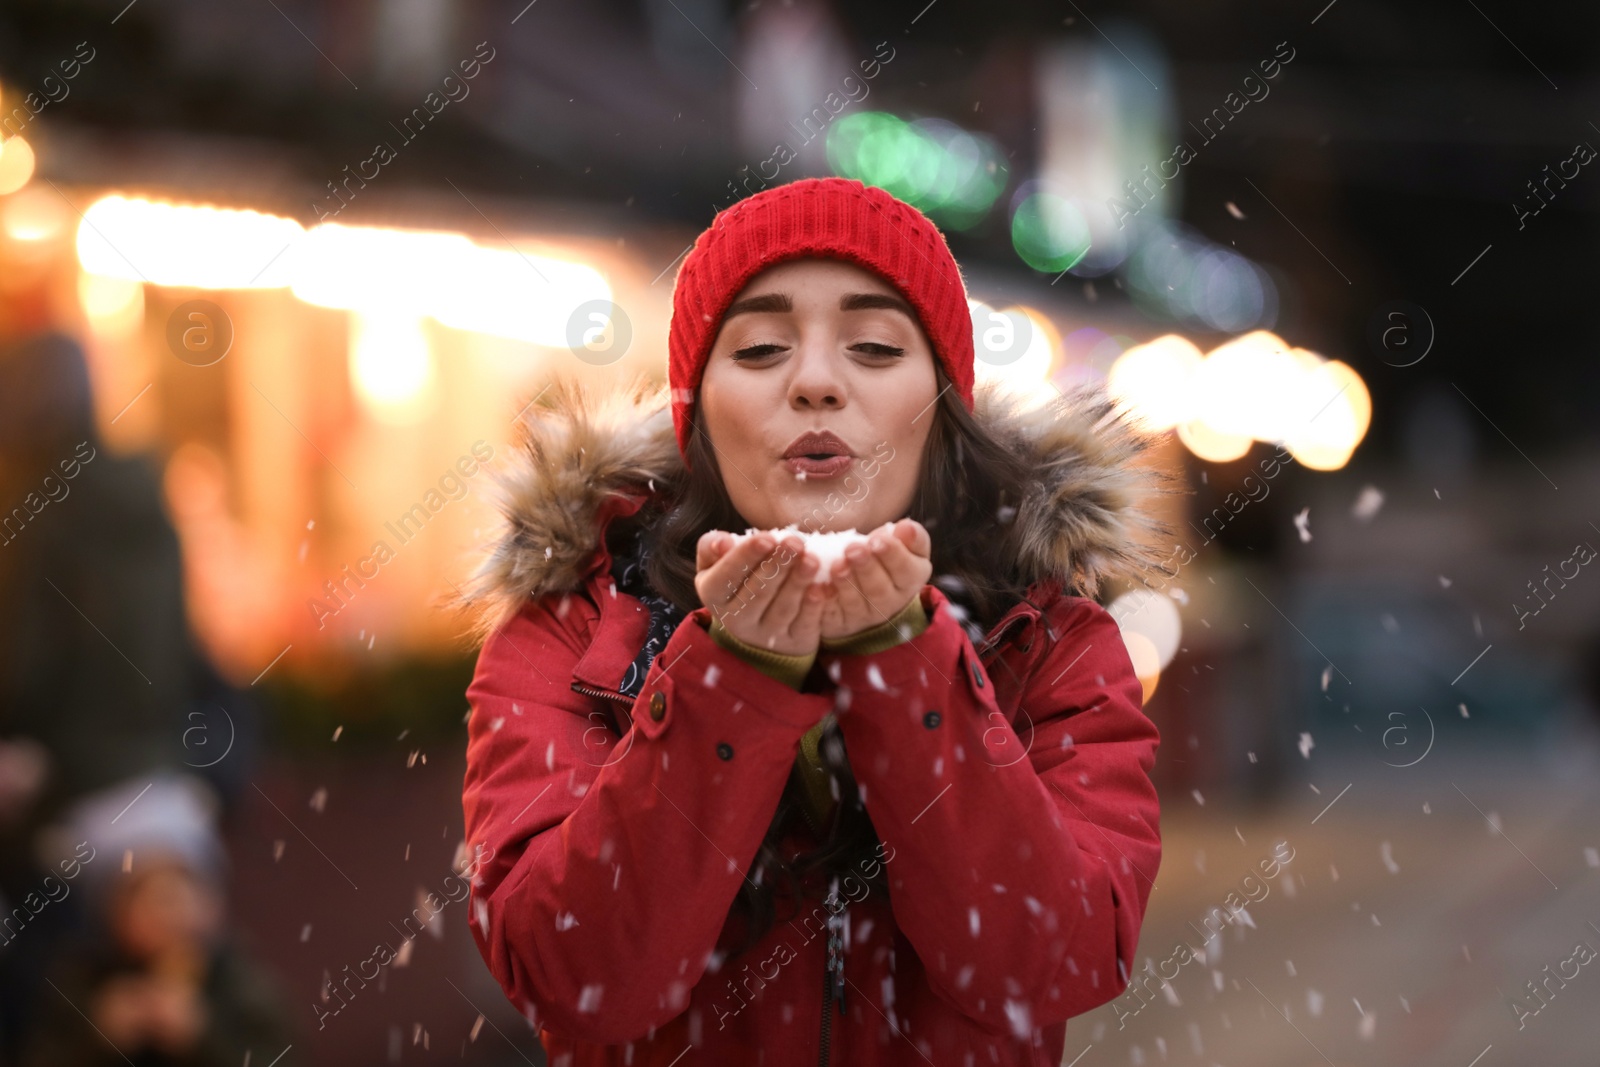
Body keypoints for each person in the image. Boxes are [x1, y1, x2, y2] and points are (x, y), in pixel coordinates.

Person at [459, 176, 1167, 1063]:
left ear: (944, 407)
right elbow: (577, 976)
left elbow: (1049, 963)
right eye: (759, 349)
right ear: (696, 415)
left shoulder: (1053, 640)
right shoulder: (567, 635)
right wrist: (732, 675)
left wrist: (905, 665)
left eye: (874, 345)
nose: (818, 382)